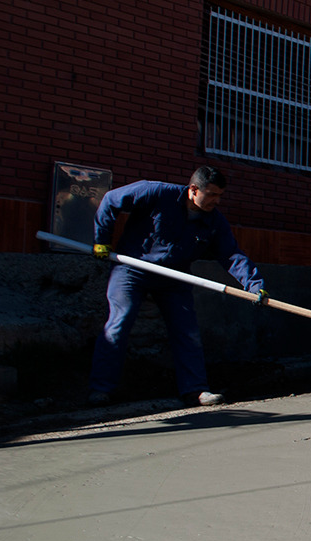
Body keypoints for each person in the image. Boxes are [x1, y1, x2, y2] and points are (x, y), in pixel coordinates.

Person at [88, 165, 265, 406]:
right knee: (119, 322)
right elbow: (110, 200)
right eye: (212, 194)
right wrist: (101, 240)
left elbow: (231, 254)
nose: (217, 200)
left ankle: (195, 390)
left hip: (175, 277)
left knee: (186, 331)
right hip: (132, 269)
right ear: (193, 189)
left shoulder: (214, 221)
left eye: (220, 195)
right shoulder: (156, 193)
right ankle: (101, 389)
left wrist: (254, 285)